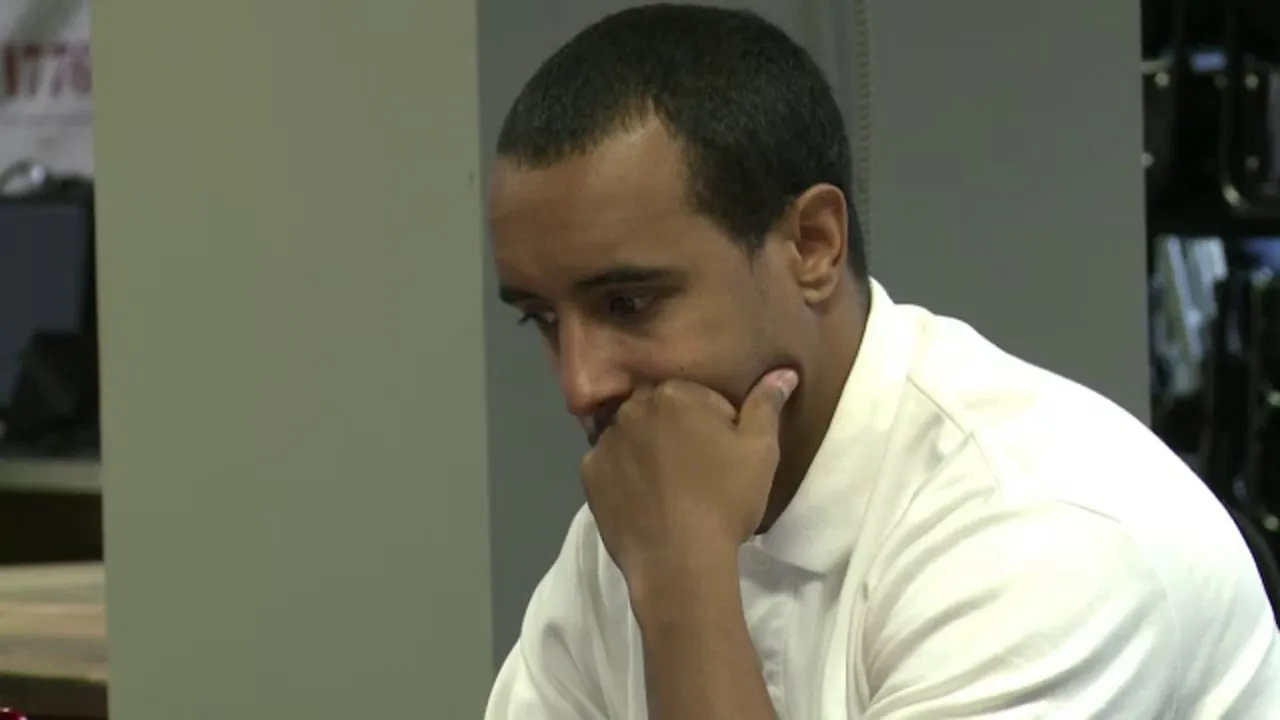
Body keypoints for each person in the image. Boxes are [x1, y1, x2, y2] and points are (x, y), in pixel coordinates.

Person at [483, 4, 1280, 719]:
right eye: (543, 320)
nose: (580, 384)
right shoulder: (652, 507)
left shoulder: (1045, 527)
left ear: (812, 245)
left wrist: (681, 583)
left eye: (629, 303)